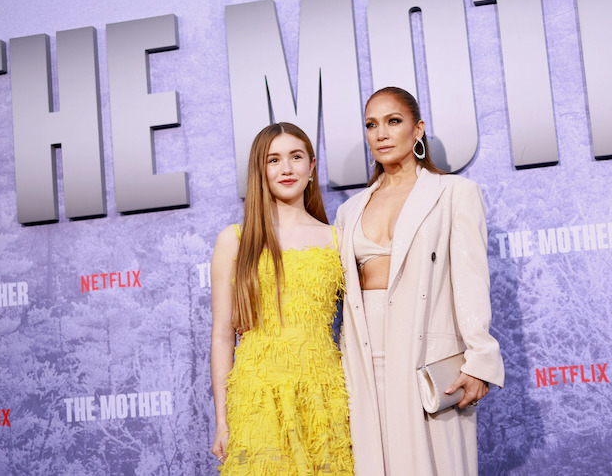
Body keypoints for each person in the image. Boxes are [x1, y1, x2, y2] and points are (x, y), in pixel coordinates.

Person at [336, 87, 505, 475]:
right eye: (371, 125)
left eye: (393, 121)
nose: (381, 133)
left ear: (418, 129)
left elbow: (471, 280)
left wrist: (480, 359)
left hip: (426, 358)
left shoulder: (454, 193)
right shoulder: (349, 210)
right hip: (362, 362)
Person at [210, 122, 353, 474]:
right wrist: (222, 422)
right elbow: (222, 335)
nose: (286, 168)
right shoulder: (235, 240)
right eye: (273, 160)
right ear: (259, 170)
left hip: (324, 395)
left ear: (312, 166)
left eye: (296, 157)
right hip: (258, 398)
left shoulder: (338, 239)